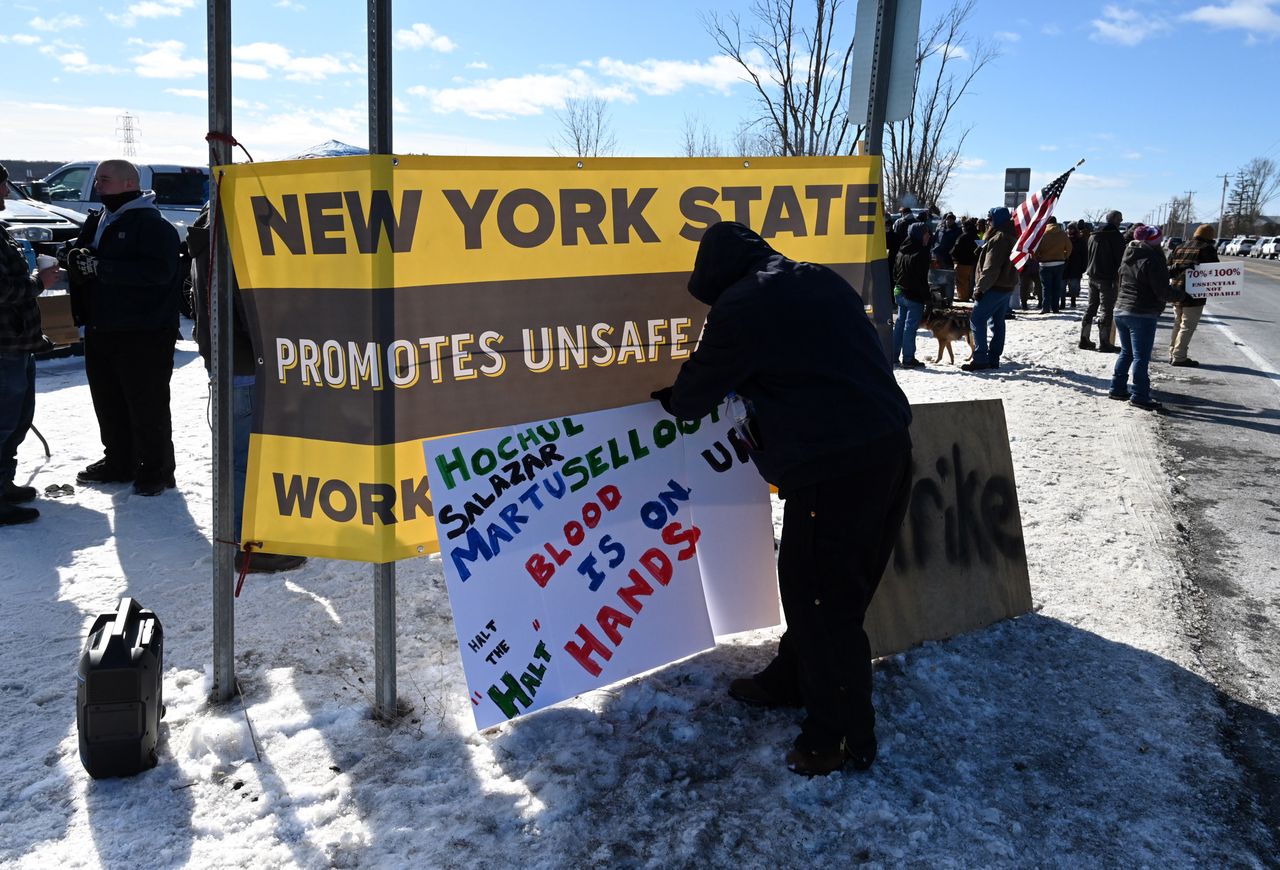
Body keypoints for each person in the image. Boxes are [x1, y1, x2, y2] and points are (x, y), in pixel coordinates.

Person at [651, 222, 913, 777]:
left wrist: (676, 397)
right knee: (825, 587)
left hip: (834, 467)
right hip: (888, 449)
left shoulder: (745, 303)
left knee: (822, 599)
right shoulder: (818, 278)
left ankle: (839, 737)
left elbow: (694, 395)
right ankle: (793, 676)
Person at [188, 204, 307, 574]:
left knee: (240, 456)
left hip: (228, 361)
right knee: (247, 459)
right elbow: (252, 309)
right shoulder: (234, 237)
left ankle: (244, 536)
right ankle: (248, 544)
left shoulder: (206, 232)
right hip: (246, 365)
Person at [65, 160, 182, 496]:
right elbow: (80, 254)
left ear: (129, 182)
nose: (97, 185)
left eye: (105, 179)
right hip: (102, 326)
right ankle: (119, 461)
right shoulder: (100, 218)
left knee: (147, 403)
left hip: (143, 331)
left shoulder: (152, 225)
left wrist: (102, 268)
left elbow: (159, 273)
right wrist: (71, 255)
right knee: (108, 400)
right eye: (98, 179)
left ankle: (156, 470)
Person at [0, 163, 62, 525]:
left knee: (18, 419)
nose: (7, 191)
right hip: (4, 345)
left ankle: (4, 484)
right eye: (3, 183)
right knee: (4, 421)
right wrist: (40, 281)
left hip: (18, 341)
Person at [1109, 225, 1181, 410]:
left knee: (1127, 353)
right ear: (1155, 241)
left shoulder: (1130, 253)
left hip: (1121, 310)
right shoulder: (1153, 258)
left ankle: (1117, 388)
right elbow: (1161, 290)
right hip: (1141, 313)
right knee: (1141, 357)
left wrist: (1174, 270)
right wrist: (1183, 295)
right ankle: (1140, 395)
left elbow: (1144, 276)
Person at [963, 207, 1018, 372]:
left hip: (994, 286)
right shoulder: (1009, 235)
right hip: (1006, 286)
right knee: (997, 322)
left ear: (998, 220)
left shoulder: (999, 238)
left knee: (977, 319)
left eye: (990, 219)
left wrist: (980, 289)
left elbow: (991, 268)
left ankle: (980, 358)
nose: (987, 222)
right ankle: (993, 358)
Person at [1165, 224, 1218, 367]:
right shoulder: (1206, 249)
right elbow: (1214, 269)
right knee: (1187, 325)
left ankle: (1172, 352)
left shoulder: (1180, 246)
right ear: (1209, 237)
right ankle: (1179, 356)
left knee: (1178, 322)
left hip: (1176, 290)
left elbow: (1168, 265)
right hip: (1194, 292)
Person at [1081, 209, 1125, 352]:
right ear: (1114, 220)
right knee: (1106, 310)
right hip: (1108, 278)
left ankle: (1084, 338)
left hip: (1092, 275)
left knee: (1091, 306)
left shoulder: (1093, 236)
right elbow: (1121, 260)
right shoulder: (1115, 237)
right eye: (1120, 220)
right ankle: (1104, 343)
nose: (1121, 222)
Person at [892, 221, 932, 368]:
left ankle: (893, 356)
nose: (928, 235)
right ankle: (908, 358)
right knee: (909, 327)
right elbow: (922, 279)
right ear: (919, 235)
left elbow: (895, 273)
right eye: (926, 233)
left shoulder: (902, 250)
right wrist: (928, 299)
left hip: (900, 292)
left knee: (900, 324)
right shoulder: (921, 253)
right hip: (914, 295)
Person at [1035, 216, 1071, 314]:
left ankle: (1045, 307)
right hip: (1059, 263)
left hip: (1045, 264)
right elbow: (1069, 247)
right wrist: (1065, 256)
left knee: (1046, 287)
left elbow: (1036, 249)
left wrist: (1038, 258)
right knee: (1056, 287)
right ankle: (1055, 308)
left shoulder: (1042, 234)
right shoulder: (1062, 234)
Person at [952, 217, 980, 302]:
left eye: (963, 227)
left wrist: (953, 256)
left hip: (962, 262)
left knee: (961, 281)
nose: (962, 228)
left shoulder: (962, 237)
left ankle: (963, 298)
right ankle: (968, 295)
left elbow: (955, 249)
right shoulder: (976, 237)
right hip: (973, 263)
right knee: (970, 281)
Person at [1063, 220, 1089, 308]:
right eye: (1068, 229)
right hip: (1065, 265)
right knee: (1062, 285)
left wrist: (1084, 266)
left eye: (1071, 229)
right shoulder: (1064, 239)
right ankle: (1062, 303)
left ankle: (1073, 301)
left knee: (1074, 286)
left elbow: (1085, 255)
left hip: (1076, 265)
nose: (1069, 230)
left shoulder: (1081, 240)